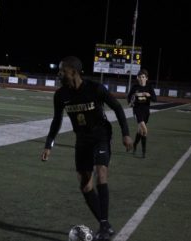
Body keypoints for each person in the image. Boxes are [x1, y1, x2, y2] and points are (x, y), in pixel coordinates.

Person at [41, 56, 133, 241]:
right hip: (81, 139)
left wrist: (125, 133)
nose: (59, 74)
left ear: (73, 72)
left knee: (101, 173)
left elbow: (117, 107)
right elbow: (57, 120)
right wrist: (49, 144)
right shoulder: (60, 95)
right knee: (85, 184)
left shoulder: (95, 88)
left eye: (62, 71)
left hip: (101, 135)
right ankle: (105, 224)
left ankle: (104, 226)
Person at [127, 68, 157, 158]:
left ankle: (135, 144)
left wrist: (149, 95)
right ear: (137, 78)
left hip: (146, 111)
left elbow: (155, 99)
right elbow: (129, 98)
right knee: (145, 130)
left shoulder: (149, 87)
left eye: (143, 77)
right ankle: (144, 152)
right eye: (140, 77)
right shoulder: (135, 87)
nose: (141, 78)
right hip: (137, 110)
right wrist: (131, 102)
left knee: (140, 131)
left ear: (146, 78)